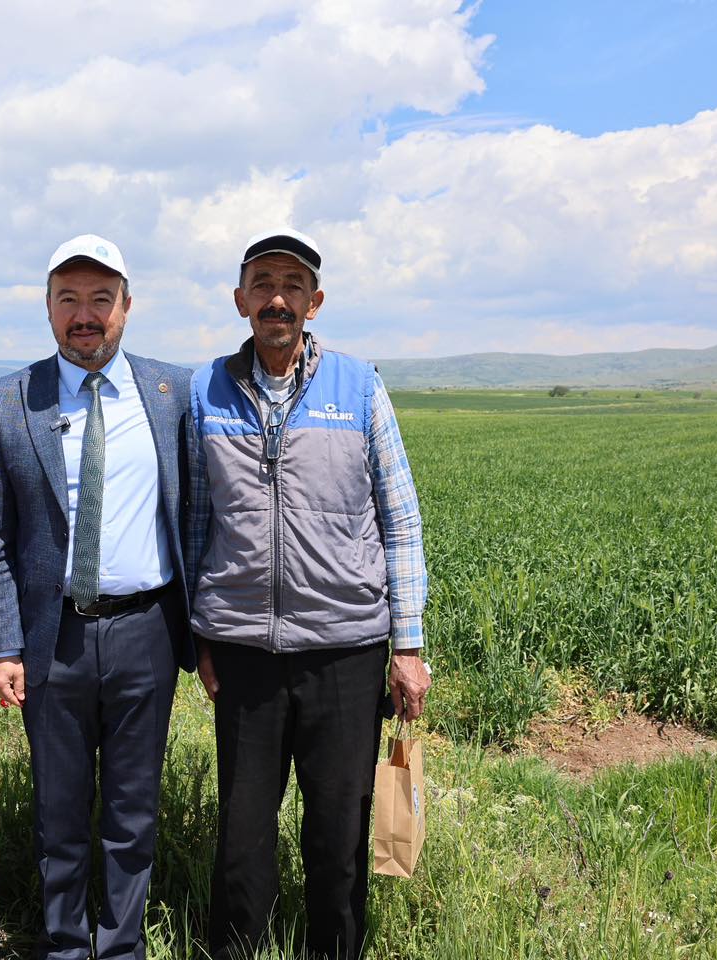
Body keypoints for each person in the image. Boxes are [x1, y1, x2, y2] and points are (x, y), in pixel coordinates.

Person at [185, 228, 431, 960]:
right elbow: (194, 519)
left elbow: (400, 518)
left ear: (315, 302)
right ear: (240, 300)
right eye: (262, 284)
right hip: (244, 652)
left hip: (347, 650)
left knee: (338, 835)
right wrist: (199, 633)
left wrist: (408, 645)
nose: (277, 299)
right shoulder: (205, 391)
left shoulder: (359, 386)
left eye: (292, 285)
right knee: (242, 839)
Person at [0, 234, 196, 960]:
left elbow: (199, 515)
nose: (84, 314)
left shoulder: (174, 393)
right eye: (67, 298)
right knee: (59, 814)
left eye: (101, 298)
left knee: (133, 814)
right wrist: (4, 644)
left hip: (147, 632)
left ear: (128, 306)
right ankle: (66, 946)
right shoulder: (12, 399)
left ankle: (122, 947)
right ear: (47, 307)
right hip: (53, 638)